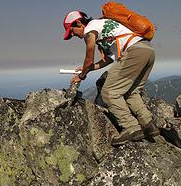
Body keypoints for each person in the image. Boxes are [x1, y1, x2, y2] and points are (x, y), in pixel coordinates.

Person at [63, 10, 159, 146]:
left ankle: (131, 127)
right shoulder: (103, 27)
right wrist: (88, 68)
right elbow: (109, 59)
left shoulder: (90, 29)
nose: (73, 35)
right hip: (147, 51)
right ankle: (149, 124)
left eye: (72, 31)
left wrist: (81, 76)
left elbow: (89, 55)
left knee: (109, 92)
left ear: (78, 22)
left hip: (134, 52)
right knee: (131, 92)